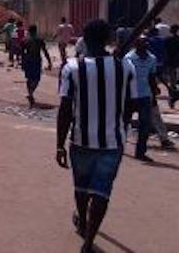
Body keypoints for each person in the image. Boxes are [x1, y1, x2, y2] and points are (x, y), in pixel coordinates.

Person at [56, 20, 137, 253]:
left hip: (80, 140)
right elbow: (130, 105)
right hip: (112, 143)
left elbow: (65, 109)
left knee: (81, 188)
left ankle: (82, 220)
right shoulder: (126, 67)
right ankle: (89, 241)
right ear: (108, 40)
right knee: (102, 191)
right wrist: (120, 126)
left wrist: (59, 145)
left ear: (84, 40)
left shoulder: (72, 68)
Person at [125, 36, 159, 162]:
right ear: (136, 44)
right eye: (142, 42)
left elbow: (152, 77)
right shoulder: (129, 59)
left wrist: (154, 96)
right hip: (130, 97)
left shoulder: (152, 59)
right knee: (124, 122)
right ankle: (118, 146)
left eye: (146, 42)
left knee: (145, 125)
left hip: (145, 96)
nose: (145, 44)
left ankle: (140, 152)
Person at [21, 25, 53, 108]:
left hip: (28, 60)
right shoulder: (39, 40)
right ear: (35, 31)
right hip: (36, 61)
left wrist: (22, 62)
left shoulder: (25, 40)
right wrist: (49, 61)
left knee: (29, 78)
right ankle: (31, 92)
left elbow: (22, 52)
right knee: (36, 79)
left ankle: (30, 93)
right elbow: (45, 51)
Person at [163, 24, 179, 93]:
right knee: (175, 73)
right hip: (177, 58)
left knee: (171, 73)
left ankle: (173, 85)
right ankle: (174, 85)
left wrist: (166, 57)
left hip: (170, 58)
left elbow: (164, 49)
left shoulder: (167, 39)